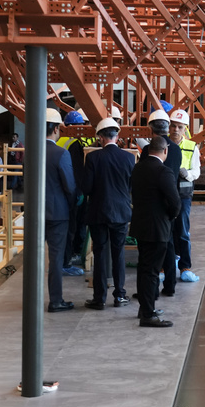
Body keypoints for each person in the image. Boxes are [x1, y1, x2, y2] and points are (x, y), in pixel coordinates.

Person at [82, 117, 136, 310]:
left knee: (100, 253)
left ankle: (99, 298)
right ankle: (120, 295)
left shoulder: (93, 158)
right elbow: (131, 186)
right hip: (121, 213)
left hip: (98, 213)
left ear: (100, 138)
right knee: (118, 253)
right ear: (117, 136)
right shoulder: (129, 158)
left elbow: (86, 188)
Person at [131, 134, 181, 327]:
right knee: (152, 272)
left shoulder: (138, 168)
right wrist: (170, 216)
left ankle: (144, 308)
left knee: (144, 269)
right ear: (165, 151)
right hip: (158, 228)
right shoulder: (164, 172)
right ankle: (148, 315)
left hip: (141, 226)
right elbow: (175, 202)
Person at [140, 108, 181, 299]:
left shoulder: (149, 150)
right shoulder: (177, 149)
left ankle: (150, 291)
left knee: (150, 257)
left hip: (153, 207)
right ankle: (170, 285)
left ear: (150, 128)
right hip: (171, 204)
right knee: (169, 246)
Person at [44, 108, 77, 313]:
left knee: (34, 258)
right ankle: (55, 300)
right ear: (56, 129)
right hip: (58, 214)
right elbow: (70, 186)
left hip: (35, 213)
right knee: (55, 259)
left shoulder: (30, 151)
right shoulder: (61, 153)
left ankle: (31, 298)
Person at [169, 108, 201, 282]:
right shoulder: (162, 144)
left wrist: (187, 173)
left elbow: (196, 171)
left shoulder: (191, 147)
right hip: (166, 192)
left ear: (185, 128)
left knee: (182, 229)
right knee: (166, 229)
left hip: (183, 193)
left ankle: (185, 267)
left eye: (179, 127)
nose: (175, 130)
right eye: (173, 126)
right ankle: (165, 266)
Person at [57, 110, 87, 276]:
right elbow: (76, 170)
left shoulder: (61, 140)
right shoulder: (75, 143)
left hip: (59, 190)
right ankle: (66, 261)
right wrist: (79, 192)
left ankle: (62, 260)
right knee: (72, 227)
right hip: (71, 191)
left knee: (63, 229)